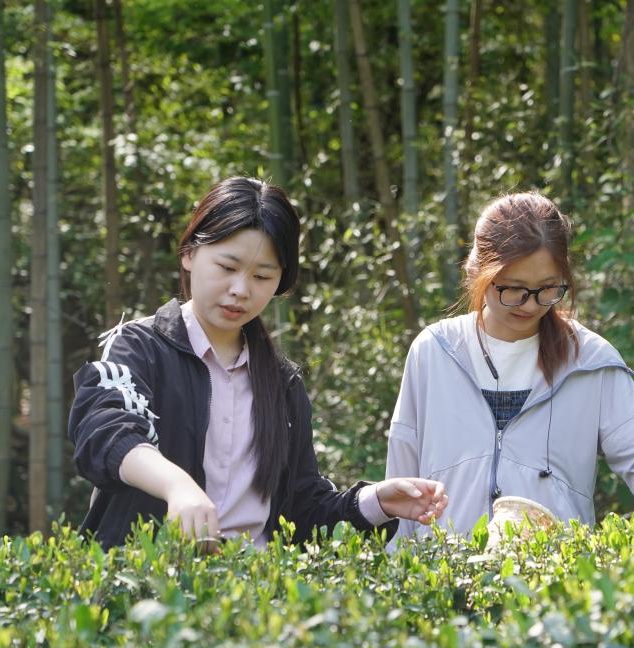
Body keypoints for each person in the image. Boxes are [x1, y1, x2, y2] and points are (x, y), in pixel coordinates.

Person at [69, 177, 448, 550]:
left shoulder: (282, 383)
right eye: (227, 267)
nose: (241, 290)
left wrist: (376, 502)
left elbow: (302, 511)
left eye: (262, 276)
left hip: (253, 585)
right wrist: (177, 486)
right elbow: (106, 431)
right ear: (189, 254)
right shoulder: (139, 346)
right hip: (153, 582)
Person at [385, 191, 634, 541]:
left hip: (552, 572)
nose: (530, 305)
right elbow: (400, 488)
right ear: (476, 272)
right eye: (514, 289)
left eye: (547, 289)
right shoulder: (435, 352)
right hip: (444, 569)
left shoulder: (589, 360)